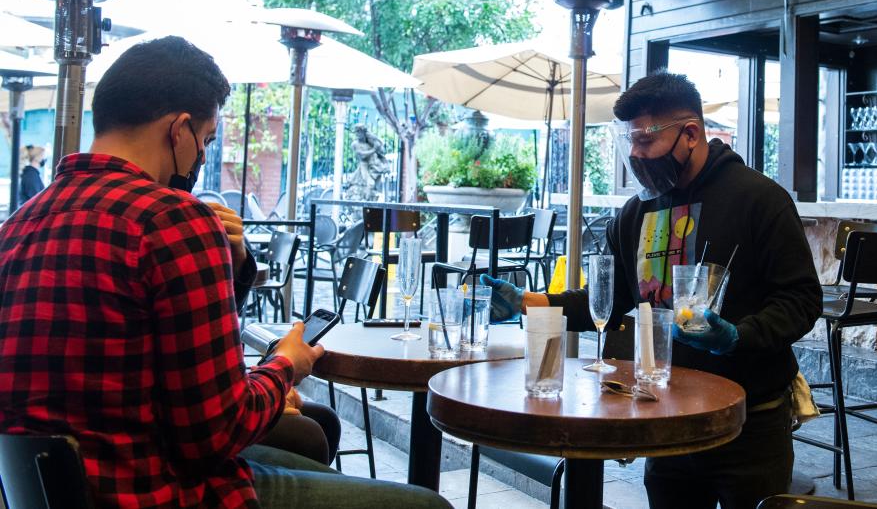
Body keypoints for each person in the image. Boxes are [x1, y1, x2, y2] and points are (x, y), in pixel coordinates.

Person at [0, 36, 450, 509]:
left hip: (57, 486)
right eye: (207, 141)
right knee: (426, 505)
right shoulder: (170, 218)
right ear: (179, 130)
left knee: (310, 443)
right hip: (160, 490)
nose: (200, 159)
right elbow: (214, 435)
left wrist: (230, 268)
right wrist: (285, 367)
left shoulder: (18, 224)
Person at [483, 72, 822, 509]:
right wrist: (535, 303)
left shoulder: (760, 199)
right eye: (629, 141)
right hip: (664, 415)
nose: (635, 155)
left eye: (645, 140)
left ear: (691, 133)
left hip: (749, 420)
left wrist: (740, 336)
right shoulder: (634, 212)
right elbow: (614, 298)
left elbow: (801, 298)